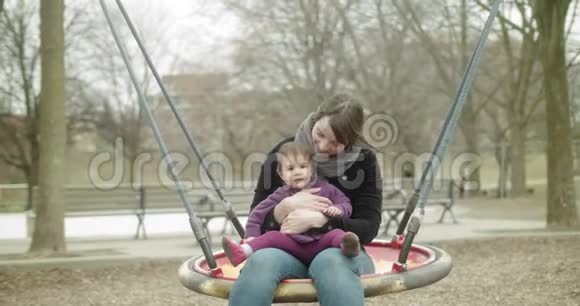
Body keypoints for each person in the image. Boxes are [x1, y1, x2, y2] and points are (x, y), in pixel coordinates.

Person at [229, 93, 383, 306]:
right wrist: (282, 210)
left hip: (339, 252)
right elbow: (258, 218)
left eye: (335, 142)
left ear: (350, 141)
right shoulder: (283, 154)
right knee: (261, 261)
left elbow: (368, 228)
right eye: (319, 134)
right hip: (286, 251)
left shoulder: (363, 161)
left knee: (331, 263)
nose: (321, 146)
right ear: (315, 118)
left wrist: (323, 220)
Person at [221, 142, 361, 267]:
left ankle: (348, 247)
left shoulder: (327, 189)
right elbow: (256, 216)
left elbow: (346, 203)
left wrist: (338, 209)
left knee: (337, 233)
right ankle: (242, 252)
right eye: (290, 169)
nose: (297, 172)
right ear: (281, 174)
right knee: (273, 236)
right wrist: (252, 236)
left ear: (311, 169)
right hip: (292, 247)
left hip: (321, 244)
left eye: (303, 166)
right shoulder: (280, 195)